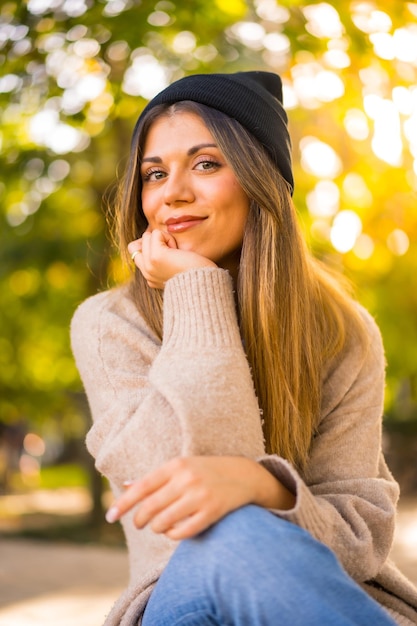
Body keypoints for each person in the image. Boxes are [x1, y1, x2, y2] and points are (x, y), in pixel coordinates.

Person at [71, 71, 417, 626]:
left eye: (206, 164)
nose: (173, 193)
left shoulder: (341, 330)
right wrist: (196, 287)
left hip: (326, 593)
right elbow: (194, 507)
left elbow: (360, 534)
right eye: (154, 174)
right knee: (235, 531)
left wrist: (264, 487)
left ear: (262, 179)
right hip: (180, 599)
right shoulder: (109, 325)